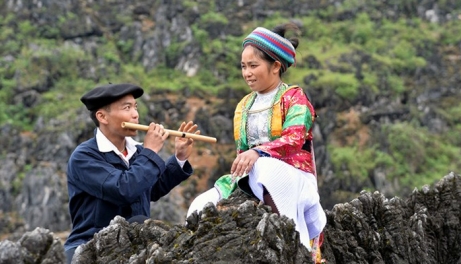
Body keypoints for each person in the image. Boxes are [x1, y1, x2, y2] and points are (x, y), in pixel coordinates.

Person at [186, 23, 327, 261]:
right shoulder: (244, 105)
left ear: (275, 66)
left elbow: (294, 139)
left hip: (293, 177)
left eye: (253, 65)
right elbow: (242, 153)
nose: (247, 72)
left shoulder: (294, 97)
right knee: (201, 203)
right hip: (254, 176)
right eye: (243, 66)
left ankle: (292, 243)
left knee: (264, 167)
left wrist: (259, 153)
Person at [64, 83, 199, 264]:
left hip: (136, 242)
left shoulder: (138, 152)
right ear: (102, 116)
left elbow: (152, 189)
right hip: (90, 245)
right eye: (127, 108)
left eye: (135, 107)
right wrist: (150, 151)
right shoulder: (84, 157)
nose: (135, 114)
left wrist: (179, 157)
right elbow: (124, 189)